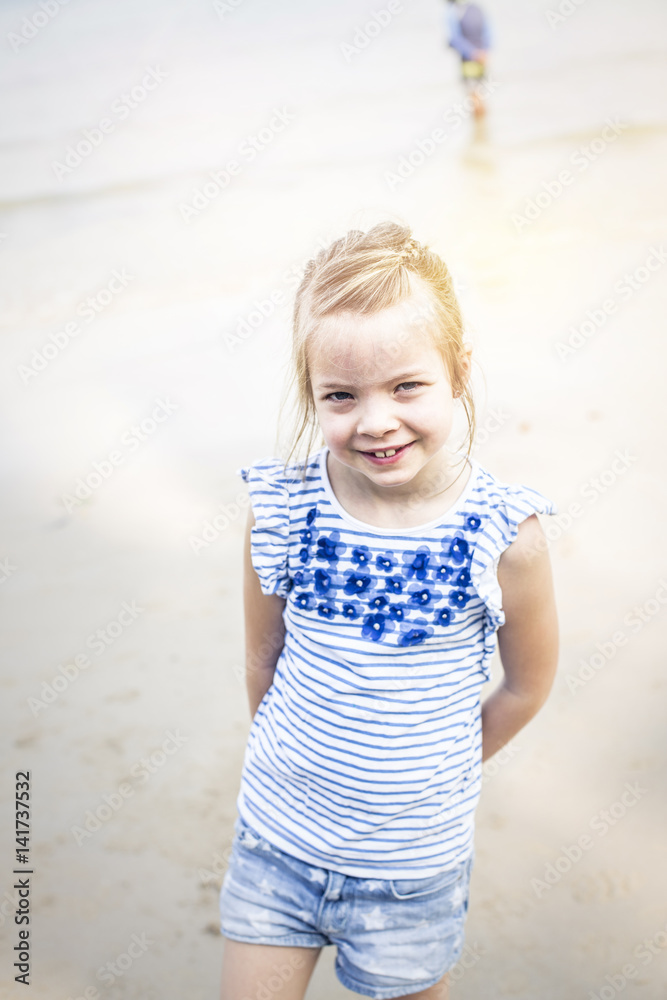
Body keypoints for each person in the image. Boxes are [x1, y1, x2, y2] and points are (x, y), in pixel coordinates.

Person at [219, 222, 559, 1000]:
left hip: (411, 872)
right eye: (340, 396)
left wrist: (431, 774)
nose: (374, 421)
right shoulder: (283, 510)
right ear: (311, 393)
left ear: (458, 372)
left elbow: (526, 686)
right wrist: (300, 766)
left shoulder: (504, 535)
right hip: (277, 840)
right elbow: (261, 661)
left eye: (406, 386)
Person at [444, 0, 492, 118]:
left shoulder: (452, 12)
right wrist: (483, 52)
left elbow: (454, 38)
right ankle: (482, 124)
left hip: (470, 58)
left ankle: (480, 124)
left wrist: (473, 53)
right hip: (481, 56)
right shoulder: (476, 8)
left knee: (475, 95)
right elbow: (489, 32)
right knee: (479, 94)